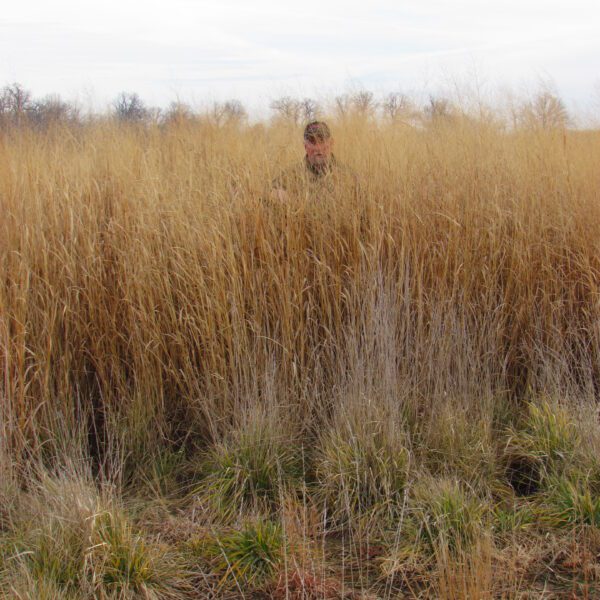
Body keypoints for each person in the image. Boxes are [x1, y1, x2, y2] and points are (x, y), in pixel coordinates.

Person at [270, 121, 356, 202]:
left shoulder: (348, 176)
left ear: (331, 143)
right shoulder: (291, 175)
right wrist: (275, 193)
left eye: (322, 141)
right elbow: (266, 193)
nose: (318, 148)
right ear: (305, 147)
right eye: (313, 142)